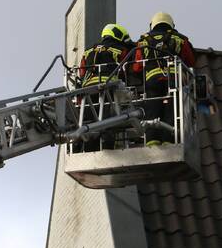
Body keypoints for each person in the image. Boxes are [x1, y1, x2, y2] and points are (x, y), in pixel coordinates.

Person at [132, 12, 195, 146]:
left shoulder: (143, 41)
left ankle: (151, 140)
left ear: (152, 25)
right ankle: (168, 139)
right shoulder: (179, 39)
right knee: (171, 108)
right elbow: (190, 60)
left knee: (152, 107)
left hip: (151, 82)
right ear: (171, 24)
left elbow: (136, 67)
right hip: (173, 81)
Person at [76, 23, 133, 151]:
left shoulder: (88, 51)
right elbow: (127, 69)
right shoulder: (121, 49)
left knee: (90, 121)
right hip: (109, 88)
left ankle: (90, 151)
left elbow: (82, 72)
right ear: (118, 35)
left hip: (88, 90)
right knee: (108, 120)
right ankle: (107, 147)